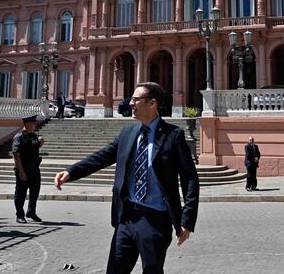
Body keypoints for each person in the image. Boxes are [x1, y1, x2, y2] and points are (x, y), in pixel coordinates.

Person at [54, 82, 199, 274]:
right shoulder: (128, 132)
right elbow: (102, 156)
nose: (130, 103)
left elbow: (190, 179)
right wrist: (72, 172)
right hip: (126, 217)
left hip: (155, 219)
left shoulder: (173, 135)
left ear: (152, 103)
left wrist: (187, 221)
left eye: (136, 99)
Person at [12, 114, 44, 223]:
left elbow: (32, 149)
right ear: (27, 124)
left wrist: (40, 144)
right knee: (20, 193)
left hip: (34, 169)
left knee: (35, 191)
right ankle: (19, 215)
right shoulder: (19, 137)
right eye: (33, 123)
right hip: (24, 168)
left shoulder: (33, 136)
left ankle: (31, 211)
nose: (35, 124)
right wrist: (21, 171)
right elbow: (16, 155)